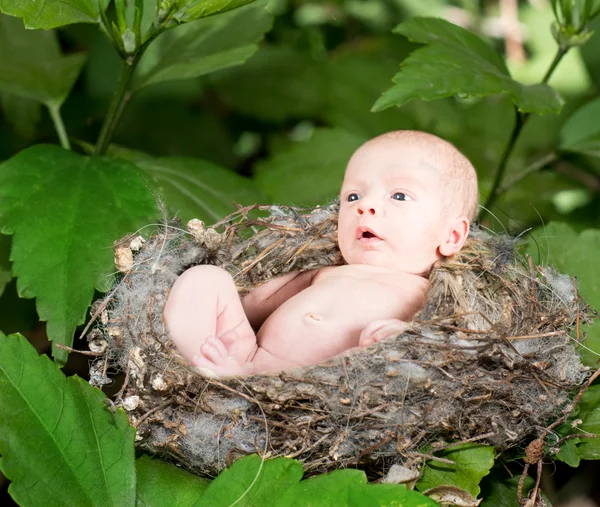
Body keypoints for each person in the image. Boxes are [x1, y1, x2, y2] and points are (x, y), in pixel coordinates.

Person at [163, 130, 479, 377]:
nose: (365, 205)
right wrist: (220, 308)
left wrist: (405, 336)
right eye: (353, 195)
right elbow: (250, 304)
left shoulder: (428, 295)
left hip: (320, 387)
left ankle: (235, 380)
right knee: (207, 279)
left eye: (399, 195)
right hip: (248, 356)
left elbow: (448, 347)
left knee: (390, 353)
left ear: (451, 237)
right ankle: (197, 364)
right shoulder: (327, 272)